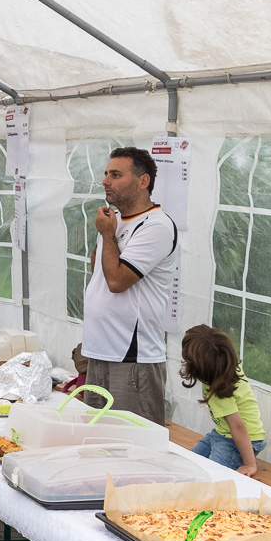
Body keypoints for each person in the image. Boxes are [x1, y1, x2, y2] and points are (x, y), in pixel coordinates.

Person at [80, 146, 178, 424]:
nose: (105, 181)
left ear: (143, 181)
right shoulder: (115, 220)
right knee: (96, 438)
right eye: (105, 174)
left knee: (132, 446)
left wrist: (108, 236)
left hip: (133, 359)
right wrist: (107, 234)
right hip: (99, 351)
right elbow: (99, 272)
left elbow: (116, 281)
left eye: (115, 174)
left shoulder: (156, 226)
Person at [179, 324, 265, 477]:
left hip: (240, 441)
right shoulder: (226, 366)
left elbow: (238, 427)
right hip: (221, 434)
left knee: (209, 475)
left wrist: (249, 464)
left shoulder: (219, 389)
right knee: (187, 463)